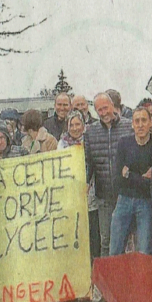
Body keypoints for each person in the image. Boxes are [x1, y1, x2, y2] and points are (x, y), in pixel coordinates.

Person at [83, 92, 134, 258]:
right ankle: (108, 280)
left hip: (126, 194)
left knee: (128, 240)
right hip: (104, 195)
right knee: (106, 239)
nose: (103, 113)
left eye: (105, 108)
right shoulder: (90, 132)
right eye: (99, 110)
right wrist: (86, 182)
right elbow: (88, 162)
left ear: (113, 106)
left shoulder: (129, 126)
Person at [109, 107, 152, 258]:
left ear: (150, 123)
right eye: (137, 121)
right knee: (115, 250)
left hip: (146, 202)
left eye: (144, 120)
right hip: (123, 200)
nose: (140, 125)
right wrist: (142, 178)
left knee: (144, 250)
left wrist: (129, 175)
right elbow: (118, 178)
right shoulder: (124, 143)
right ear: (132, 124)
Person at [59, 110, 101, 260]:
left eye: (78, 124)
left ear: (84, 126)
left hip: (90, 194)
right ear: (67, 127)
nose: (75, 128)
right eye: (72, 125)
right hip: (71, 198)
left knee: (93, 235)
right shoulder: (62, 144)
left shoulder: (91, 141)